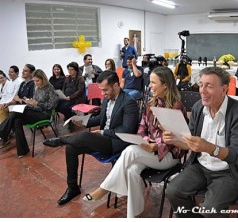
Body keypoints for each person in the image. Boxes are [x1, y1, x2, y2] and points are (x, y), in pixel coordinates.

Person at [83, 66, 187, 217]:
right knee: (132, 170)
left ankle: (104, 189)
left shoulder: (176, 107)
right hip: (149, 152)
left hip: (168, 156)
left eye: (153, 82)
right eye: (150, 82)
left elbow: (177, 138)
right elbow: (141, 127)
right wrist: (144, 141)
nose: (150, 86)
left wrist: (156, 146)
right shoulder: (151, 104)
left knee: (130, 151)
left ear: (165, 85)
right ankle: (134, 214)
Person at [164, 67, 238, 218]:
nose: (202, 90)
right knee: (172, 191)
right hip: (200, 167)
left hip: (229, 172)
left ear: (224, 89)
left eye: (209, 86)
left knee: (210, 208)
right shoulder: (198, 107)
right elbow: (191, 143)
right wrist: (177, 141)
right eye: (201, 84)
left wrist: (209, 148)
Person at [43, 70, 139, 206]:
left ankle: (61, 140)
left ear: (116, 85)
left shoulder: (129, 102)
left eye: (105, 90)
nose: (102, 94)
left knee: (87, 136)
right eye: (101, 90)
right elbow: (101, 118)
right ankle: (73, 188)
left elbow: (127, 130)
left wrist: (102, 132)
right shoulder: (107, 98)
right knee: (71, 148)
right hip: (103, 139)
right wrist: (83, 120)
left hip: (117, 143)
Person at [0, 69, 58, 158]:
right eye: (34, 81)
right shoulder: (36, 87)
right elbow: (34, 102)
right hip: (35, 111)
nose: (35, 83)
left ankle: (1, 133)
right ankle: (22, 151)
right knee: (17, 121)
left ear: (43, 79)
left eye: (37, 81)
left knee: (14, 114)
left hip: (45, 114)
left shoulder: (49, 88)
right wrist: (29, 102)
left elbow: (52, 105)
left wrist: (37, 103)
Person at [0, 64, 35, 148]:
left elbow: (30, 102)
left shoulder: (32, 84)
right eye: (23, 70)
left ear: (31, 73)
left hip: (27, 109)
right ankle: (5, 137)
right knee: (15, 120)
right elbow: (15, 98)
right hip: (18, 107)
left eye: (25, 71)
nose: (22, 72)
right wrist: (8, 103)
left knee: (11, 114)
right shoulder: (23, 83)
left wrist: (19, 99)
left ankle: (2, 134)